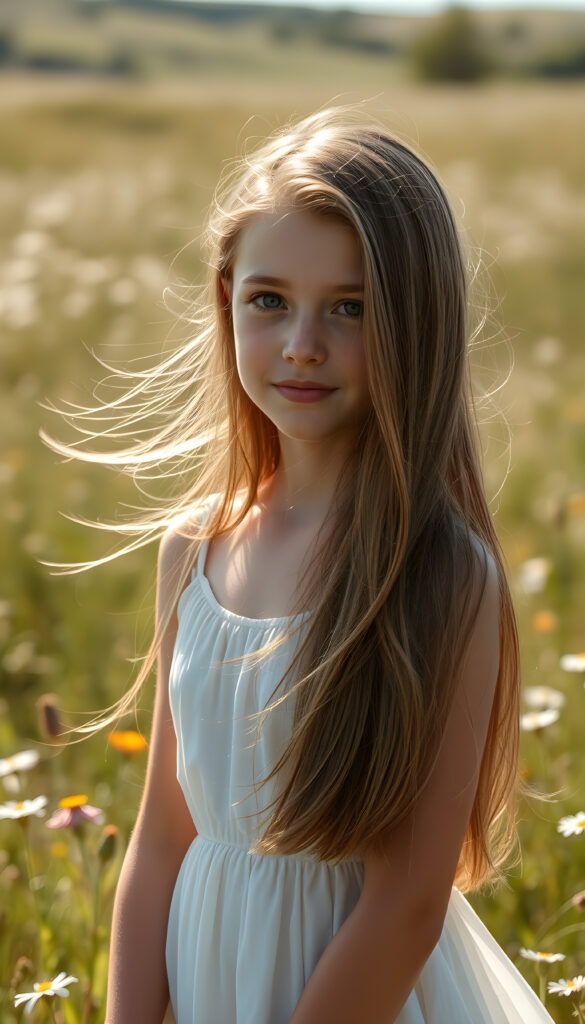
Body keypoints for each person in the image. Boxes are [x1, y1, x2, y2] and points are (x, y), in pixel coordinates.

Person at [42, 108, 555, 1023]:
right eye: (268, 301)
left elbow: (404, 906)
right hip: (209, 985)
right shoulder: (193, 555)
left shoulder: (440, 576)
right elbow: (161, 842)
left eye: (349, 308)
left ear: (416, 325)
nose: (302, 344)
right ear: (226, 300)